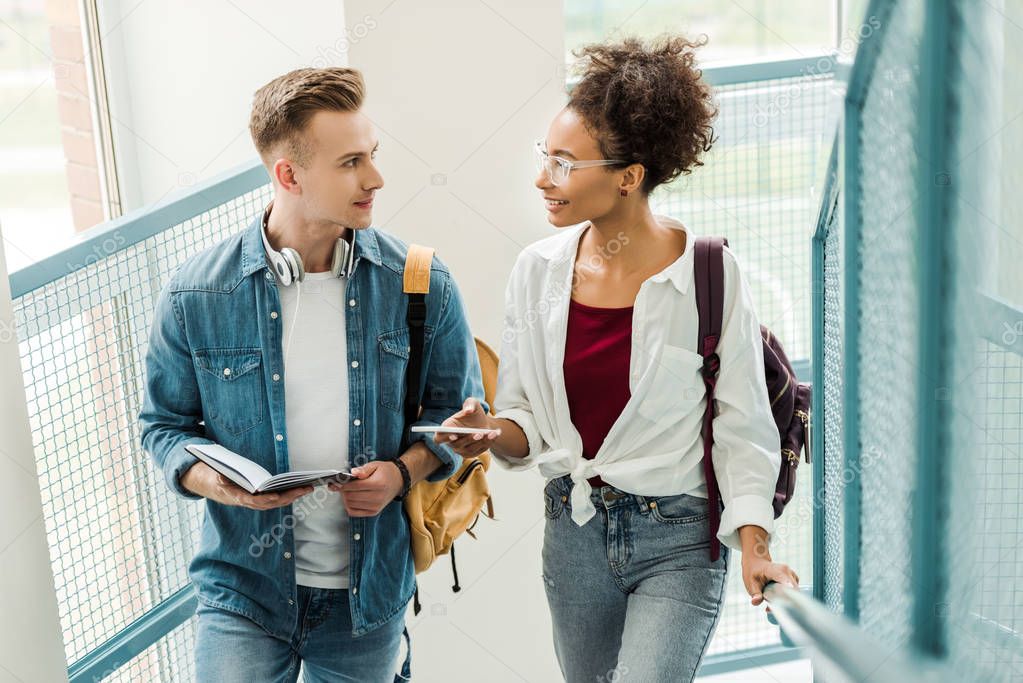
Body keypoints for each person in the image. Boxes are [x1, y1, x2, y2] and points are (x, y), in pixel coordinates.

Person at [438, 36, 799, 682]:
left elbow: (744, 430)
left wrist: (754, 546)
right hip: (573, 534)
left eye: (563, 163)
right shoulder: (536, 273)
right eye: (543, 156)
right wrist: (488, 432)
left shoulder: (710, 277)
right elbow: (523, 416)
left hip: (680, 539)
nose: (542, 177)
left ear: (628, 177)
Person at [139, 67, 485, 683]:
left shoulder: (424, 284)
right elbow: (163, 427)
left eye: (372, 154)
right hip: (242, 592)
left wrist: (404, 472)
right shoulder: (197, 293)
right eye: (352, 162)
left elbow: (452, 421)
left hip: (367, 599)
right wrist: (226, 487)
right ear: (289, 175)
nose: (375, 178)